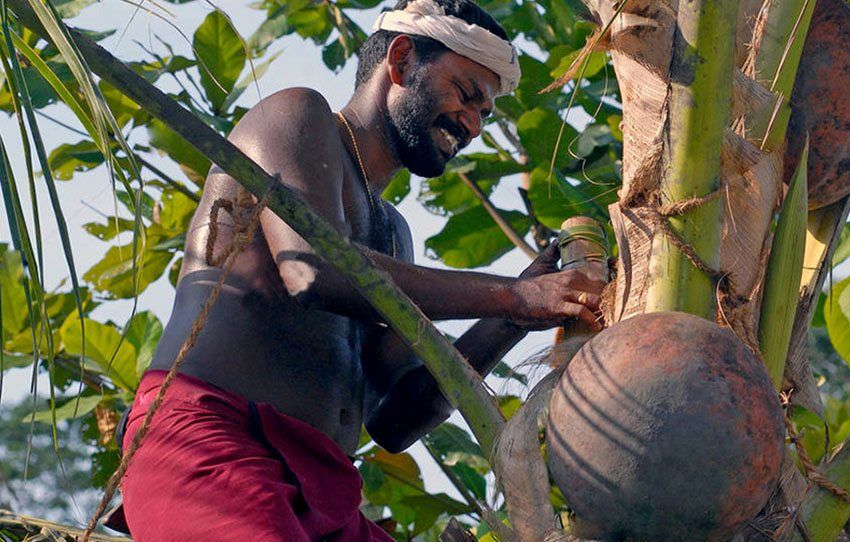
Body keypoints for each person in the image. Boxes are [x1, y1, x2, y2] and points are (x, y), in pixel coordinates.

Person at [118, 0, 605, 539]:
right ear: (400, 61)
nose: (472, 124)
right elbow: (314, 270)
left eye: (486, 114)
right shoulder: (296, 116)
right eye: (466, 94)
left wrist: (516, 318)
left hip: (321, 487)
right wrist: (513, 297)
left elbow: (395, 420)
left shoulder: (392, 233)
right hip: (214, 440)